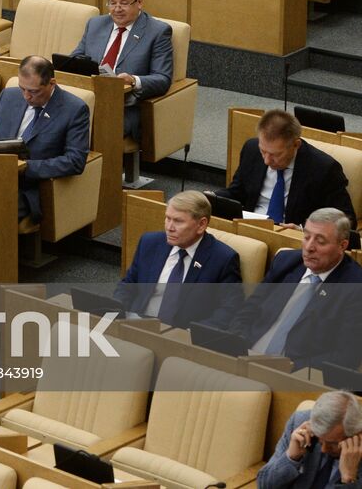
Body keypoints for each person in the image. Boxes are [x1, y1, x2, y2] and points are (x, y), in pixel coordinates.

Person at [229, 208, 362, 370]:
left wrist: (286, 368)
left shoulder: (354, 287)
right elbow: (248, 310)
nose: (309, 247)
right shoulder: (286, 262)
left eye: (320, 241)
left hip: (293, 374)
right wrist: (236, 344)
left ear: (342, 246)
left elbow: (345, 356)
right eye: (306, 237)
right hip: (245, 356)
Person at [0, 55, 90, 229]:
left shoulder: (74, 110)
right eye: (22, 88)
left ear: (51, 83)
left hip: (30, 188)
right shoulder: (9, 96)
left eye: (33, 91)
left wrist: (25, 167)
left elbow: (75, 161)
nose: (26, 96)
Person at [115, 190, 243, 329]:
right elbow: (128, 284)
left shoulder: (222, 259)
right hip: (135, 325)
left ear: (201, 224)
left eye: (178, 221)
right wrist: (116, 313)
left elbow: (229, 310)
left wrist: (193, 335)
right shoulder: (150, 243)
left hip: (181, 338)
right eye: (167, 218)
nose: (169, 227)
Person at [70, 0, 173, 139]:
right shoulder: (96, 24)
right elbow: (75, 59)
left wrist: (133, 80)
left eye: (123, 3)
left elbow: (163, 79)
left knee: (78, 126)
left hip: (123, 108)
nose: (116, 10)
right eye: (112, 3)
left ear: (139, 2)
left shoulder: (158, 32)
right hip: (86, 99)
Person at [217, 109, 355, 225]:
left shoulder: (324, 169)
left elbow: (346, 220)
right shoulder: (251, 149)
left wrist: (303, 230)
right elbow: (236, 192)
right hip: (250, 227)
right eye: (263, 151)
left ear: (296, 145)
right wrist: (209, 198)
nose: (266, 161)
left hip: (292, 237)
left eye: (275, 154)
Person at [259, 391, 362, 488]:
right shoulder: (300, 424)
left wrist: (348, 478)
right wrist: (291, 458)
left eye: (333, 443)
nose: (324, 449)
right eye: (320, 440)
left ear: (357, 433)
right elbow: (264, 486)